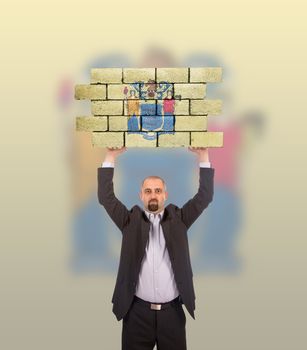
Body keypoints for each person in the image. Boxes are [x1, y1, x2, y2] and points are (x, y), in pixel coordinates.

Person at [98, 146, 214, 350]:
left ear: (165, 195)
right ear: (141, 195)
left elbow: (204, 197)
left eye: (158, 191)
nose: (153, 195)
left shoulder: (180, 219)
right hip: (136, 314)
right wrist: (110, 156)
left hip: (173, 315)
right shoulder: (129, 221)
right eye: (148, 191)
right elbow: (106, 198)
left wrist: (203, 156)